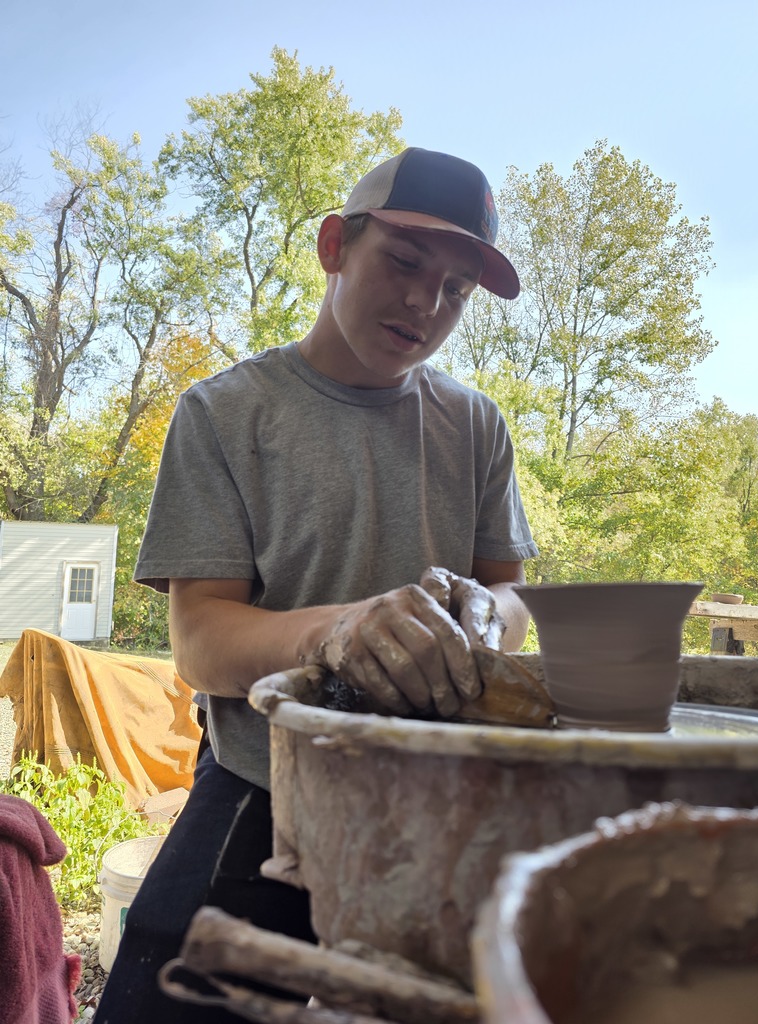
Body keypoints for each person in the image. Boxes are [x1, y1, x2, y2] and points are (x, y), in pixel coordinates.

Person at [93, 146, 539, 1022]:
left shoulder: (477, 426)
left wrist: (491, 617)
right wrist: (338, 631)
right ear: (337, 244)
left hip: (440, 798)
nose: (425, 303)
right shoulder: (226, 412)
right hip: (269, 784)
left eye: (456, 289)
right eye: (405, 262)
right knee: (165, 999)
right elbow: (202, 643)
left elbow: (513, 598)